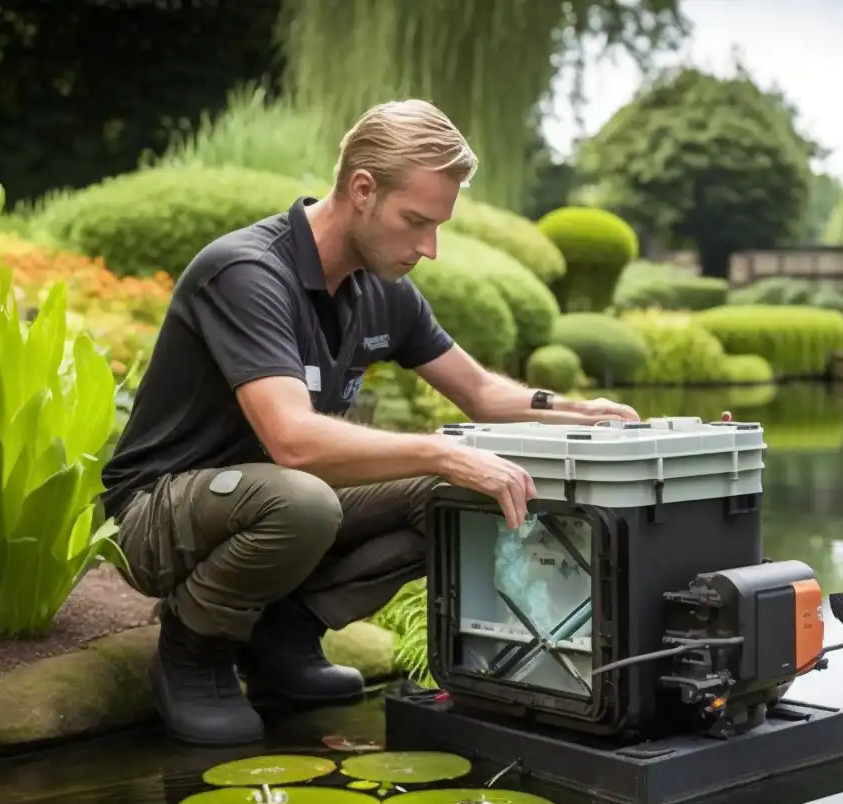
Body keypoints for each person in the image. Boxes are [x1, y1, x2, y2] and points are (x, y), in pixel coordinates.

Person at [101, 98, 640, 747]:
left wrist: (578, 413)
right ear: (362, 190)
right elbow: (293, 441)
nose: (430, 248)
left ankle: (283, 632)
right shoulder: (248, 273)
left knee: (456, 498)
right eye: (416, 221)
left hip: (269, 499)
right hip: (155, 513)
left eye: (438, 226)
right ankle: (194, 650)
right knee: (306, 501)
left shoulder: (382, 290)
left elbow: (481, 393)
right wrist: (439, 451)